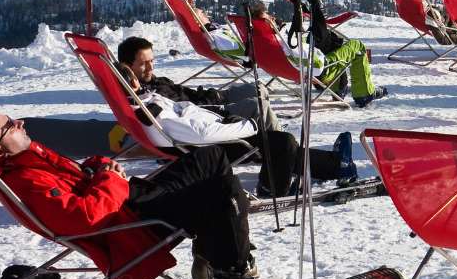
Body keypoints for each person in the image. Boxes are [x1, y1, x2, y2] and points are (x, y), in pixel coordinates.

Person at [0, 109, 283, 279]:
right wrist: (110, 180)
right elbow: (84, 218)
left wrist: (102, 167)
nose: (20, 123)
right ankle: (229, 278)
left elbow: (78, 176)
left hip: (126, 203)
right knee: (217, 191)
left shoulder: (29, 160)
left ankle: (217, 261)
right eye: (10, 125)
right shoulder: (28, 180)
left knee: (210, 159)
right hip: (131, 225)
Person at [115, 63, 357, 196]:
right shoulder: (153, 110)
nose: (144, 73)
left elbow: (190, 115)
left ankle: (335, 164)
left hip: (213, 131)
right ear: (131, 83)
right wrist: (246, 126)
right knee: (282, 143)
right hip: (210, 145)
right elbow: (201, 134)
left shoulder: (147, 101)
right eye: (133, 76)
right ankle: (275, 188)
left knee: (279, 143)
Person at [117, 36, 282, 134]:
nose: (151, 67)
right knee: (259, 106)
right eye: (143, 64)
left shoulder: (155, 81)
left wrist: (211, 95)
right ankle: (283, 150)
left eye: (151, 61)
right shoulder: (148, 97)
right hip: (210, 113)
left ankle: (267, 134)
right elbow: (186, 111)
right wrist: (213, 100)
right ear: (127, 67)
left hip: (209, 98)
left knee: (258, 89)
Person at [249, 0, 387, 108]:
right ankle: (364, 94)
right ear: (266, 23)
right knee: (357, 46)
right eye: (269, 17)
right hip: (320, 70)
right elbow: (314, 61)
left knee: (326, 39)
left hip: (288, 69)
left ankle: (339, 88)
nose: (273, 17)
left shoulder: (259, 41)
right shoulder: (283, 43)